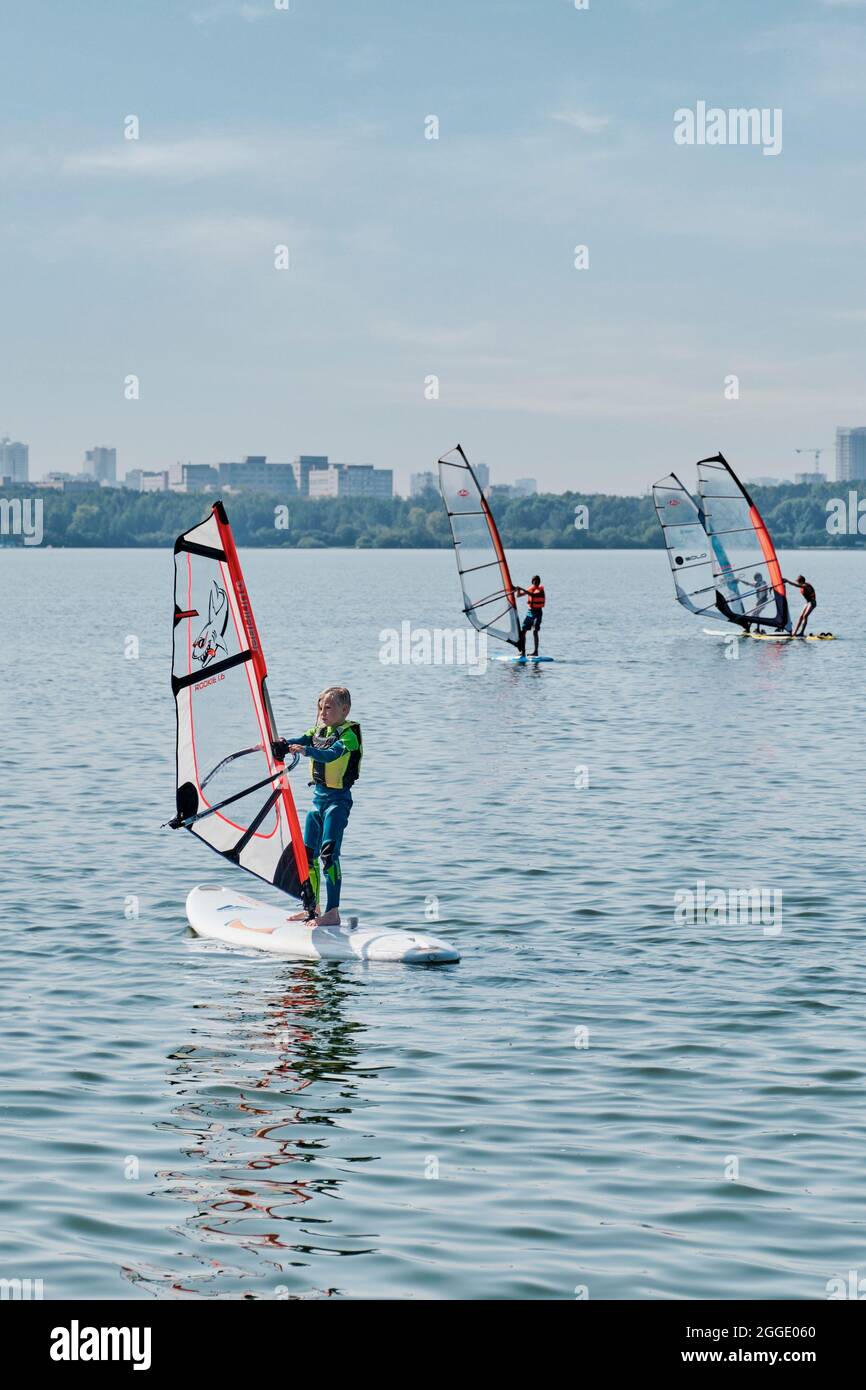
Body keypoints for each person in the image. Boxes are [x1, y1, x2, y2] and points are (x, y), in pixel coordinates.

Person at [272, 686, 362, 926]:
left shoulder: (348, 736)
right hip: (317, 803)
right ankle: (312, 908)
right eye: (320, 707)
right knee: (307, 855)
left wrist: (306, 750)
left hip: (337, 802)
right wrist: (281, 745)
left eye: (328, 707)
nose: (322, 712)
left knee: (329, 854)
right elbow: (299, 740)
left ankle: (332, 912)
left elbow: (331, 755)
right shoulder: (317, 731)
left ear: (345, 709)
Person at [513, 575, 546, 656]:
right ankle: (523, 652)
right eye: (534, 581)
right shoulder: (531, 589)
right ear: (532, 582)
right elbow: (518, 595)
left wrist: (522, 589)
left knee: (535, 631)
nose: (536, 582)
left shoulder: (541, 590)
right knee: (523, 631)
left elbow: (534, 595)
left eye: (538, 581)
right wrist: (518, 590)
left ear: (539, 582)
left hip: (538, 612)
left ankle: (535, 652)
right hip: (530, 612)